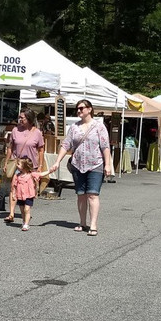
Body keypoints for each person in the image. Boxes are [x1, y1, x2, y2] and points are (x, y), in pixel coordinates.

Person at [49, 99, 113, 236]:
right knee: (81, 195)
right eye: (77, 108)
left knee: (93, 195)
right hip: (78, 165)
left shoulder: (99, 127)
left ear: (89, 109)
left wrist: (107, 164)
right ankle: (82, 222)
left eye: (81, 108)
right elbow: (66, 145)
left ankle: (93, 224)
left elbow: (105, 147)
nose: (79, 110)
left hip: (95, 164)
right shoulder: (74, 127)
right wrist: (57, 161)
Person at [3, 108, 45, 223]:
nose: (20, 119)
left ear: (29, 119)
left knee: (28, 189)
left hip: (30, 166)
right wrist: (7, 161)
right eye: (20, 117)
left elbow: (41, 150)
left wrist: (40, 165)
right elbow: (10, 147)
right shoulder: (15, 130)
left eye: (22, 117)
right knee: (14, 186)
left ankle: (25, 211)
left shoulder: (37, 132)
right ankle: (11, 213)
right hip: (17, 163)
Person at [11, 158, 43, 230]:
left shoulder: (31, 174)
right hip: (20, 196)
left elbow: (41, 174)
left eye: (18, 164)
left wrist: (50, 171)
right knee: (22, 211)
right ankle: (24, 221)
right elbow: (14, 186)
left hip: (29, 195)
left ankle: (26, 224)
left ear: (24, 166)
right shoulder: (17, 175)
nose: (17, 165)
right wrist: (13, 194)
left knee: (27, 209)